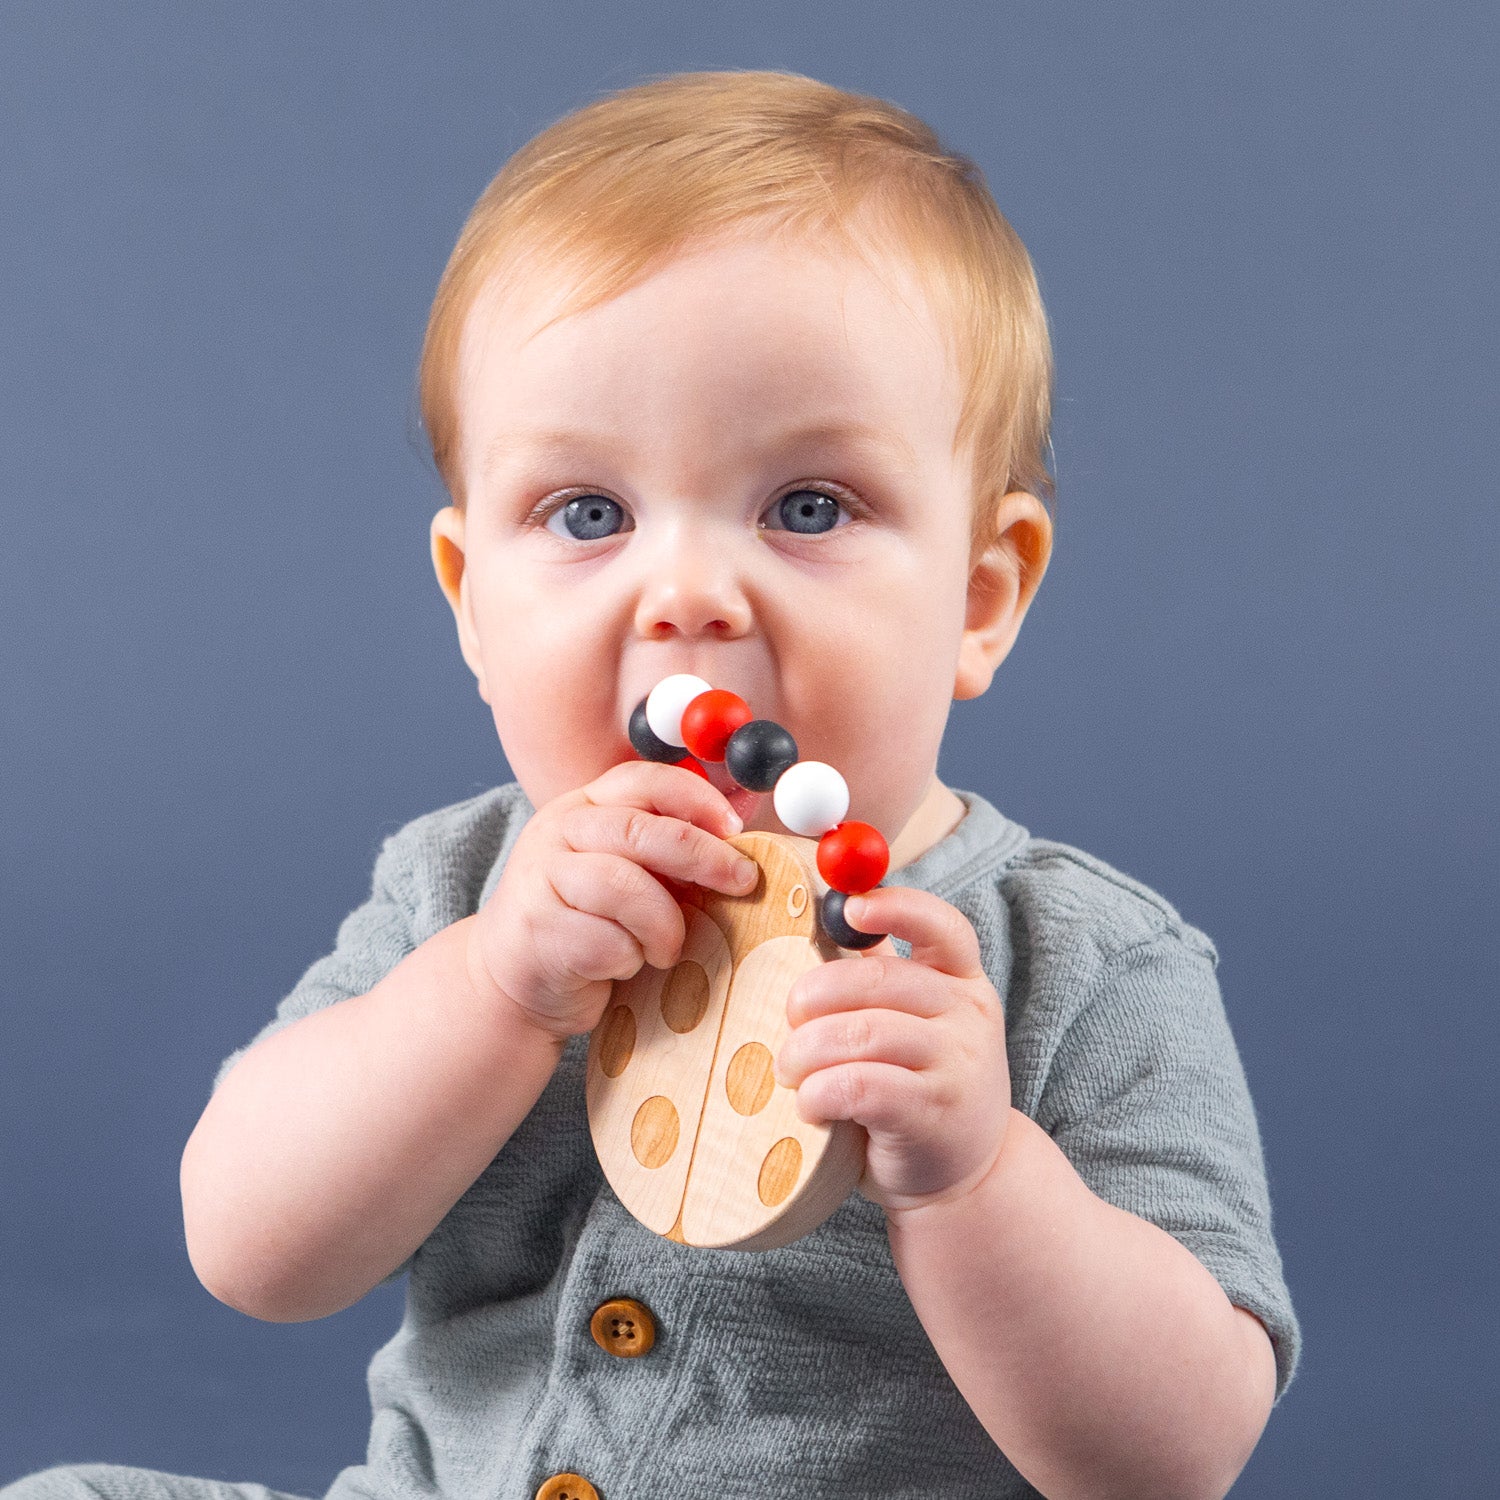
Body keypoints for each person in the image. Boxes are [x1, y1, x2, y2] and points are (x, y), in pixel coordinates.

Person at [6, 68, 1299, 1500]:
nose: (684, 593)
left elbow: (1176, 1456)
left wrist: (978, 1176)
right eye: (588, 514)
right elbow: (252, 1248)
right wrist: (492, 993)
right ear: (471, 606)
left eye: (808, 508)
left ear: (982, 598)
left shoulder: (1086, 968)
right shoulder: (465, 889)